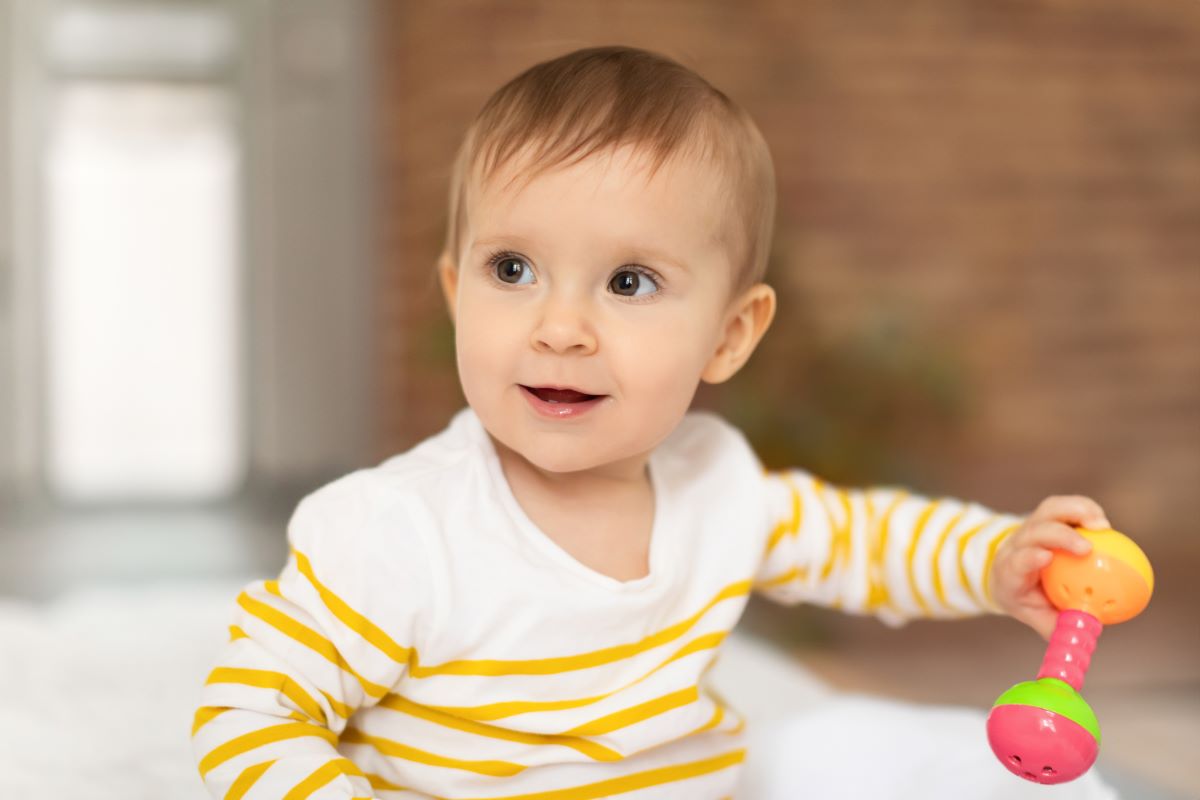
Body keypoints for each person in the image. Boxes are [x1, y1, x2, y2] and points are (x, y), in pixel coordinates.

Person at [191, 45, 1118, 799]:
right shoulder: (399, 530)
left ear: (728, 335)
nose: (559, 329)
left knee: (864, 752)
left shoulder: (717, 484)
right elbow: (251, 714)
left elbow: (861, 540)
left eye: (629, 283)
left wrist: (997, 562)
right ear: (452, 292)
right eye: (511, 269)